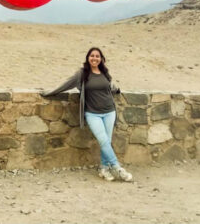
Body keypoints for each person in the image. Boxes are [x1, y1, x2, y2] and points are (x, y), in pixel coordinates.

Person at [40, 47, 133, 182]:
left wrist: (117, 89)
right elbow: (67, 84)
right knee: (103, 140)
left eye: (97, 56)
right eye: (92, 56)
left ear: (101, 59)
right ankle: (118, 168)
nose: (94, 58)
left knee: (106, 141)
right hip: (93, 113)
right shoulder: (82, 74)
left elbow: (109, 86)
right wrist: (49, 92)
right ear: (88, 58)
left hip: (109, 111)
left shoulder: (105, 72)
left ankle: (103, 168)